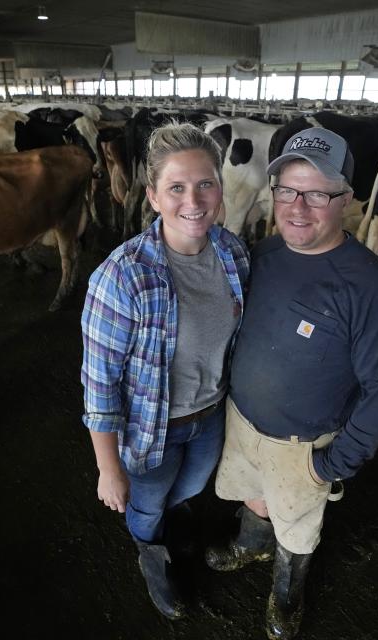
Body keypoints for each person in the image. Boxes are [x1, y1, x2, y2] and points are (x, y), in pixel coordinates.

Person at [204, 127, 378, 640]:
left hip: (303, 446)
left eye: (317, 193)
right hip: (242, 419)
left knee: (297, 527)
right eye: (287, 191)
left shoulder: (375, 292)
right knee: (251, 494)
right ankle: (252, 543)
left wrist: (331, 466)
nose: (298, 207)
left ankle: (285, 596)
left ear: (347, 199)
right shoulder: (266, 256)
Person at [81, 123, 250, 620]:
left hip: (209, 418)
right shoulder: (123, 274)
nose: (193, 200)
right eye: (176, 187)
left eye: (205, 184)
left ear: (221, 188)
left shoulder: (233, 254)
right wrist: (108, 468)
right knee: (148, 504)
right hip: (149, 430)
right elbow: (100, 383)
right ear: (152, 196)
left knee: (191, 490)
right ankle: (151, 557)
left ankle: (169, 530)